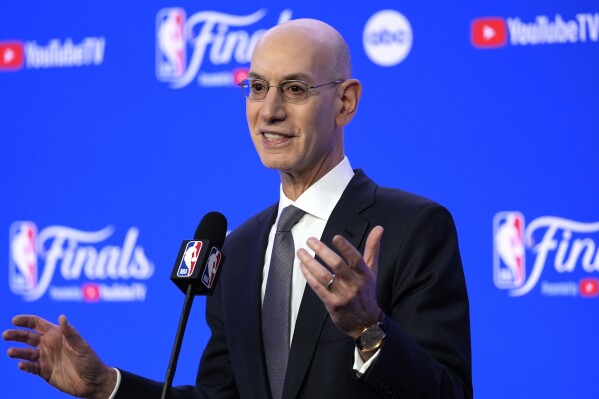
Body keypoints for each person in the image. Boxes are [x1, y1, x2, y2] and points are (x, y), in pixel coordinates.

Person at [4, 19, 472, 399]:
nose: (268, 111)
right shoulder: (238, 252)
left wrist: (370, 330)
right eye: (256, 87)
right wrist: (108, 386)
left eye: (293, 89)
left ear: (345, 102)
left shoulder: (412, 229)